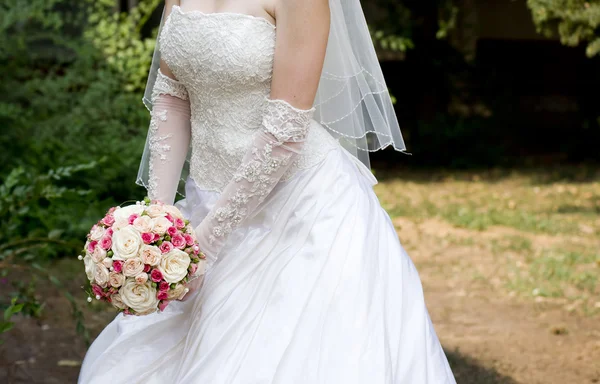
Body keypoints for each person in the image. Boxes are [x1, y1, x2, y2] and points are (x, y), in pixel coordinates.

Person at [78, 0, 456, 382]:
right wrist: (157, 228)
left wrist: (203, 247)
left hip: (300, 209)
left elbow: (285, 129)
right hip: (205, 202)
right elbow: (172, 95)